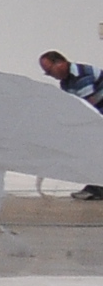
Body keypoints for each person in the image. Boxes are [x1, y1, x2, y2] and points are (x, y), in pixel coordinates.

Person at [37, 51, 103, 198]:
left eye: (49, 71)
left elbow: (87, 107)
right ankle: (96, 186)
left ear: (60, 63)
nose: (50, 75)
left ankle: (97, 187)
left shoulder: (82, 76)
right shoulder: (66, 82)